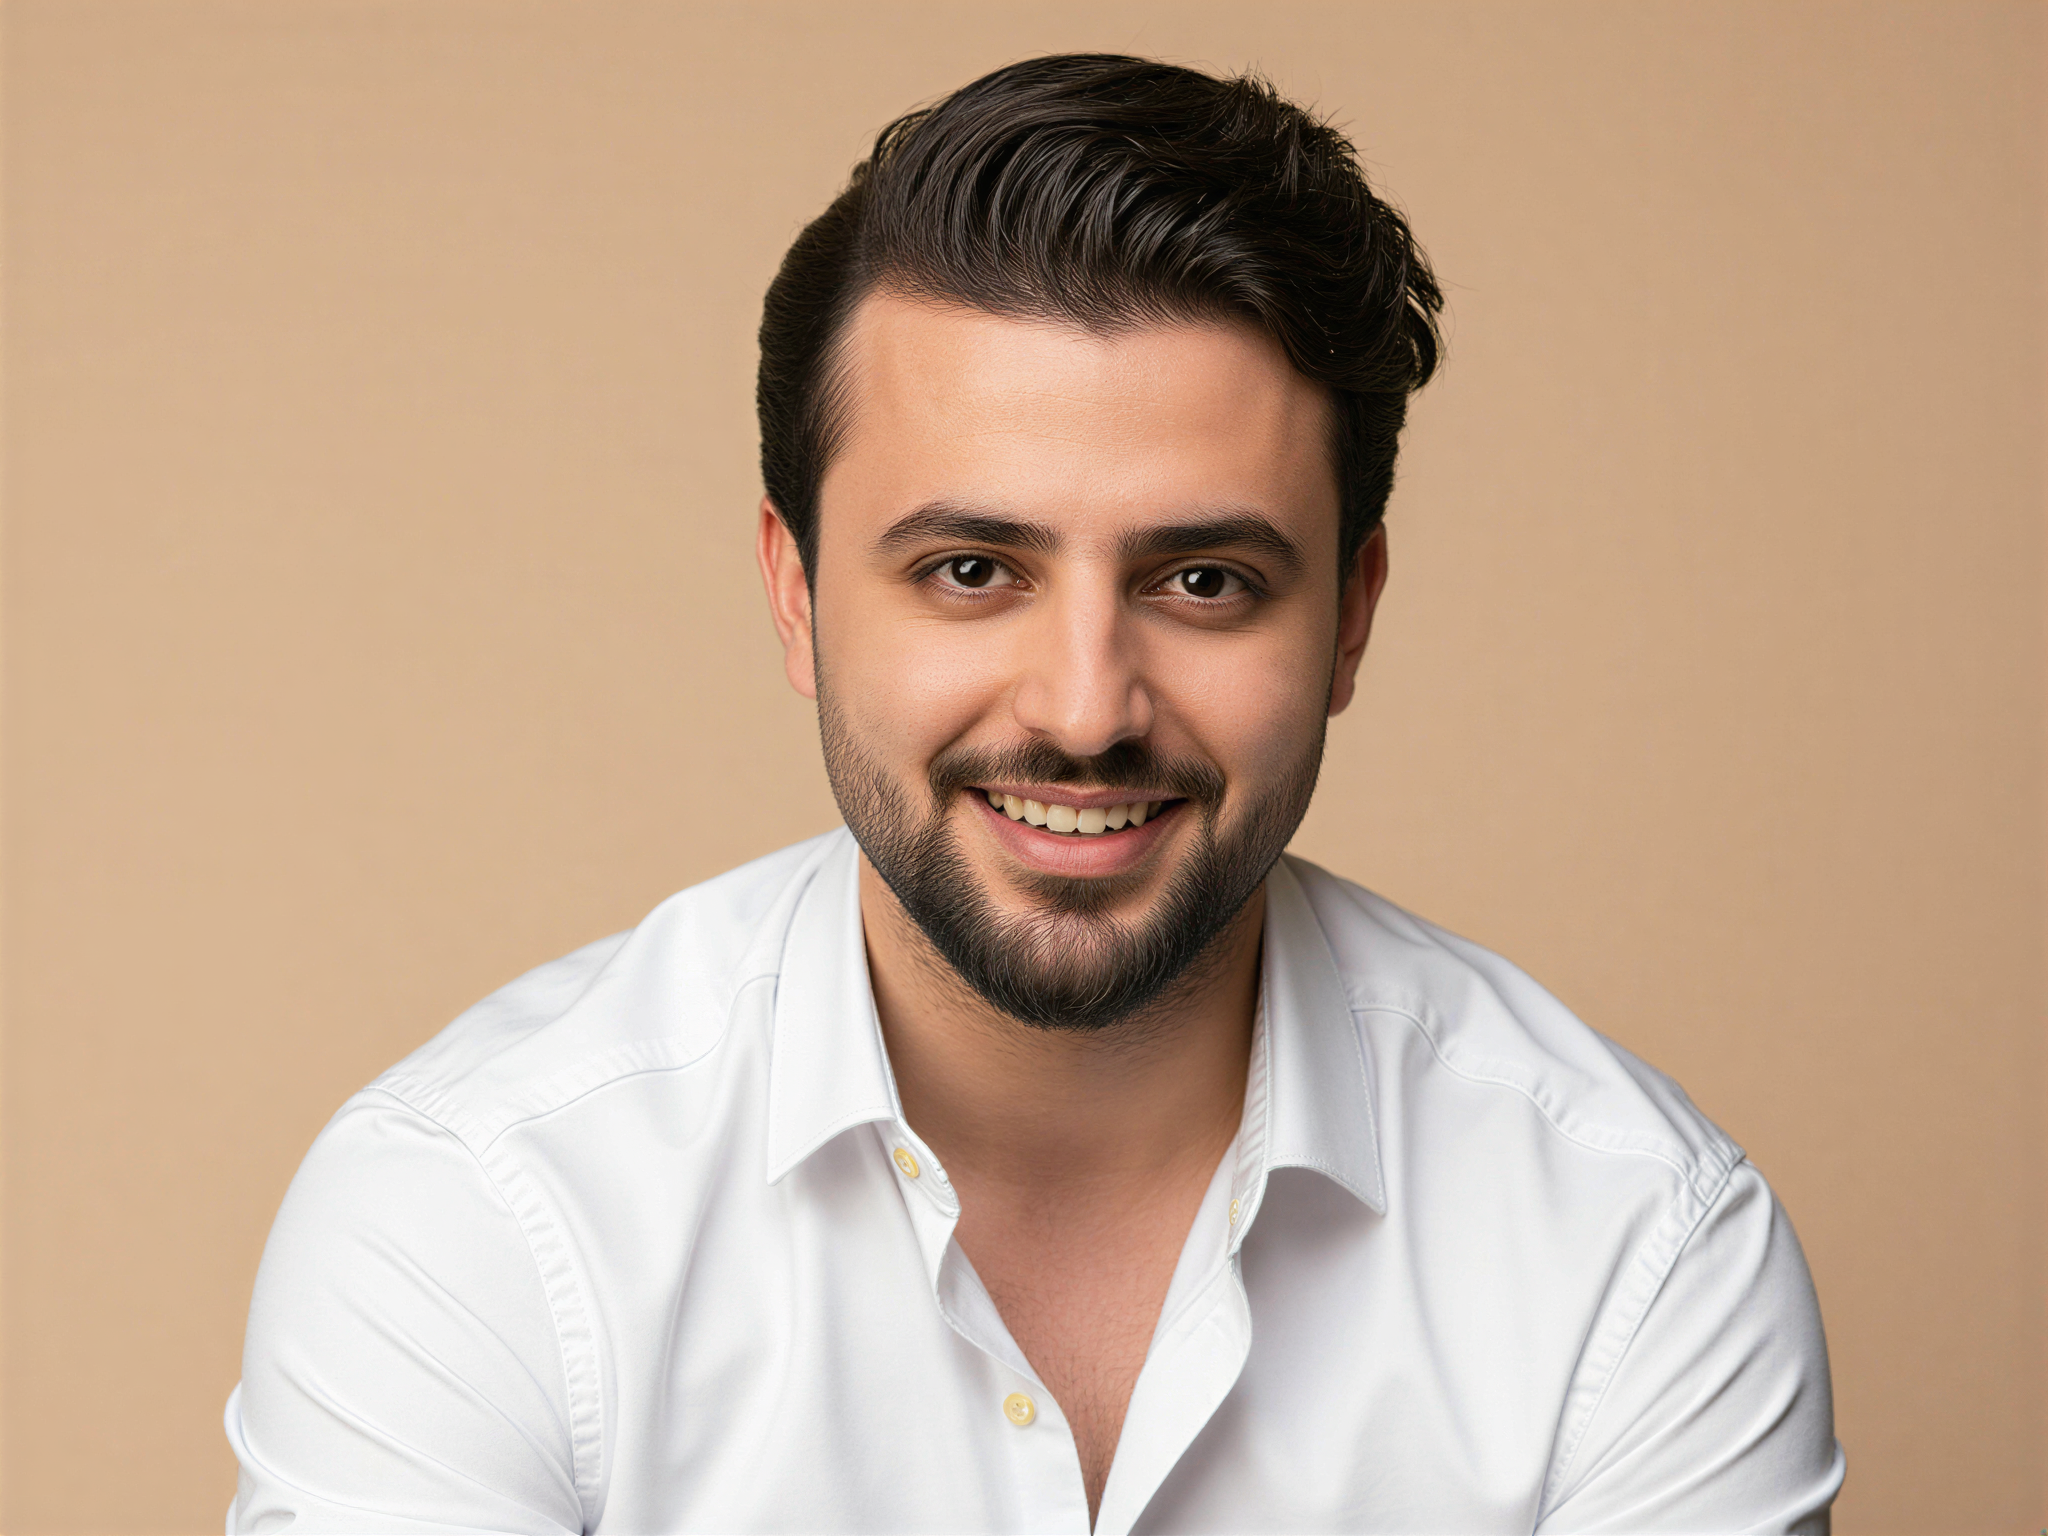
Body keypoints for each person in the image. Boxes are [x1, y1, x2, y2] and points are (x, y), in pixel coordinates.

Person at [225, 53, 1844, 1535]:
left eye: (1204, 579)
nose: (1084, 709)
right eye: (972, 568)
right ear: (795, 593)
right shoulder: (476, 1222)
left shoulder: (1638, 1258)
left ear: (1350, 616)